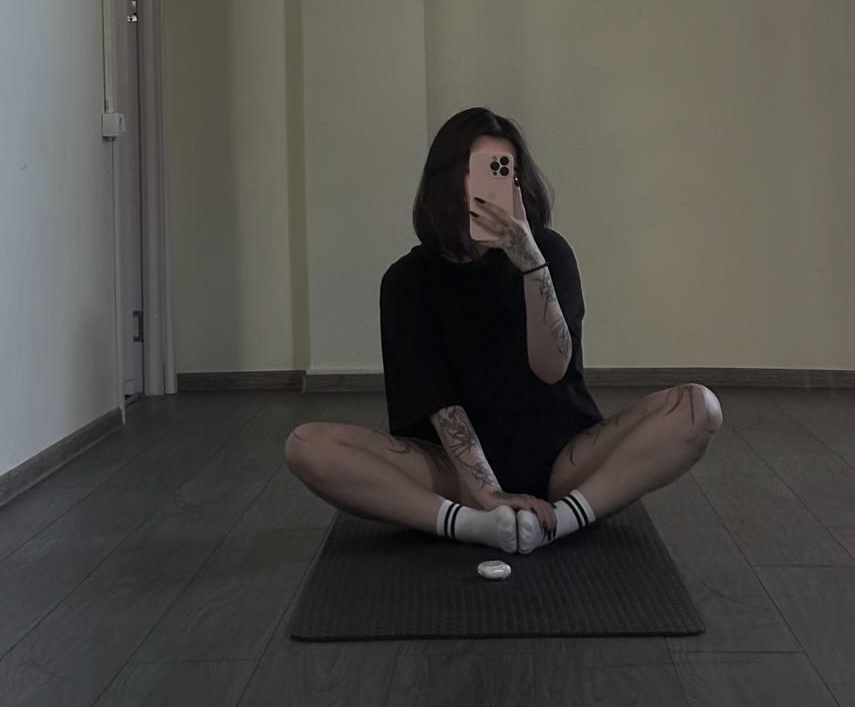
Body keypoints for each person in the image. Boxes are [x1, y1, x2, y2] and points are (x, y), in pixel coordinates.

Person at [285, 107, 723, 554]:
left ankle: (560, 521)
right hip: (453, 471)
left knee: (698, 408)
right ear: (445, 179)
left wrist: (531, 262)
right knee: (306, 446)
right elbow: (439, 402)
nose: (492, 184)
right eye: (478, 169)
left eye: (504, 171)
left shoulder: (549, 253)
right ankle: (474, 525)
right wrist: (488, 495)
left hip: (562, 459)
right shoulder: (406, 280)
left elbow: (553, 369)